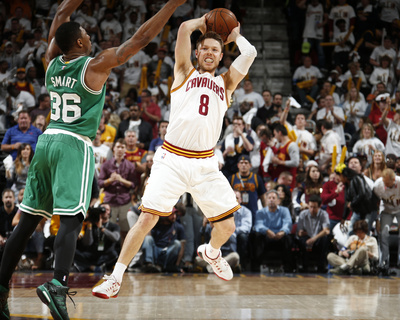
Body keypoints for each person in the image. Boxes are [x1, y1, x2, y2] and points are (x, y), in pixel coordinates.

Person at [0, 0, 187, 319]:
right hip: (73, 144)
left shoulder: (51, 62)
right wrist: (172, 5)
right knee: (72, 219)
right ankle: (56, 286)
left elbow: (60, 15)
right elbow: (139, 40)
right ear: (79, 42)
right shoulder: (95, 64)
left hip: (45, 142)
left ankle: (1, 288)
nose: (89, 35)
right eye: (85, 32)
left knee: (29, 219)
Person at [92, 14, 257, 298]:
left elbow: (250, 53)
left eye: (215, 50)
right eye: (204, 48)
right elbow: (183, 28)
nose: (209, 53)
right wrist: (205, 20)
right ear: (197, 52)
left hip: (205, 163)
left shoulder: (227, 83)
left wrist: (235, 36)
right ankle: (115, 277)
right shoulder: (184, 72)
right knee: (146, 219)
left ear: (220, 57)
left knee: (228, 224)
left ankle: (211, 252)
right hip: (172, 160)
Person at [98, 138, 137, 243]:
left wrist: (121, 180)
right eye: (118, 147)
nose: (120, 149)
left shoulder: (130, 165)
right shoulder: (106, 165)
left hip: (124, 201)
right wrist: (110, 180)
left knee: (126, 232)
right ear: (113, 148)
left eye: (122, 147)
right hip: (110, 201)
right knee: (108, 230)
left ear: (125, 150)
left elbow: (133, 184)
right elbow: (100, 182)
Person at [252, 190, 293, 272]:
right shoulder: (260, 212)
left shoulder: (284, 210)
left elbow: (288, 223)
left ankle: (288, 267)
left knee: (288, 238)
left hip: (280, 235)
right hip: (266, 236)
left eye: (273, 198)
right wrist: (267, 231)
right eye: (269, 198)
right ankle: (256, 266)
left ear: (278, 200)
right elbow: (258, 225)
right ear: (266, 200)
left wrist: (282, 232)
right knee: (256, 236)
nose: (271, 200)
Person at [74, 204, 120, 273]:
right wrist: (89, 227)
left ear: (110, 212)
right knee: (73, 252)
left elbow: (115, 238)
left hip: (107, 254)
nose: (104, 211)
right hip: (93, 254)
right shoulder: (92, 224)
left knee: (115, 255)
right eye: (102, 209)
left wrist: (101, 228)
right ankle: (93, 267)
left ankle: (88, 266)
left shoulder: (114, 226)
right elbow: (87, 243)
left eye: (107, 209)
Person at [141, 208, 186, 273]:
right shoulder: (156, 224)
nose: (174, 217)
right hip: (156, 250)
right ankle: (149, 264)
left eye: (175, 214)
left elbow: (182, 246)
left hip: (167, 252)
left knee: (177, 243)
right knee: (148, 238)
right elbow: (148, 239)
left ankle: (164, 266)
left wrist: (177, 265)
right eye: (172, 215)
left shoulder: (178, 227)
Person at [373, 168, 400, 272]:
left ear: (394, 180)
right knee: (383, 234)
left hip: (399, 209)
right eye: (384, 182)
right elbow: (376, 203)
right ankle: (384, 262)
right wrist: (377, 219)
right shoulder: (377, 185)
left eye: (388, 183)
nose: (386, 185)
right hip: (386, 211)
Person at [229, 154, 267, 224]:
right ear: (238, 165)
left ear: (250, 165)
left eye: (246, 163)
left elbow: (263, 197)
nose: (243, 165)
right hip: (236, 213)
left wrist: (266, 212)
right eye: (241, 163)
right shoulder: (232, 178)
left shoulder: (257, 178)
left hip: (253, 212)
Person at [297, 195, 330, 272]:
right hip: (307, 236)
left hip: (318, 237)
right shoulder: (303, 214)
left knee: (325, 239)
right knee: (301, 241)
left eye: (314, 207)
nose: (312, 209)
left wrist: (314, 238)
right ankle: (304, 266)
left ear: (319, 207)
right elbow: (299, 232)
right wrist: (301, 233)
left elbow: (326, 230)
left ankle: (321, 266)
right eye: (310, 207)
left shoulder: (324, 214)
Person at [0, 190, 18, 263]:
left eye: (10, 197)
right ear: (2, 199)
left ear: (14, 199)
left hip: (15, 239)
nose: (8, 199)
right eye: (6, 197)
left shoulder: (18, 212)